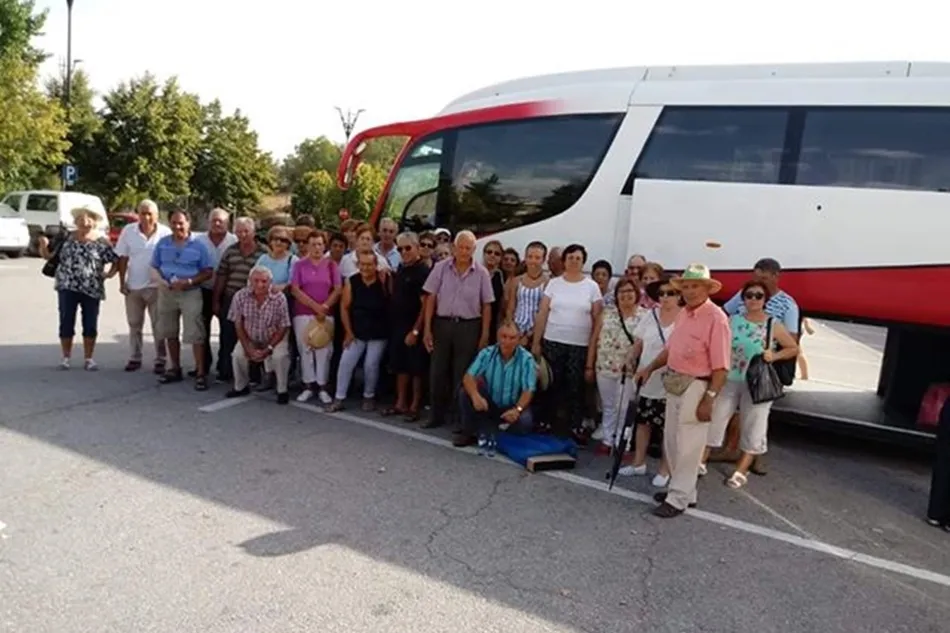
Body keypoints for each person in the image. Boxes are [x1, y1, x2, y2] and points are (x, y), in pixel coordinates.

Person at [634, 263, 731, 519]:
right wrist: (649, 368)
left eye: (695, 286)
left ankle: (677, 498)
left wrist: (709, 398)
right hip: (675, 381)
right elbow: (671, 349)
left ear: (707, 288)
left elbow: (721, 366)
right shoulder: (684, 314)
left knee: (688, 443)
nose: (690, 291)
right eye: (686, 286)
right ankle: (685, 493)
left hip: (697, 384)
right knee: (673, 440)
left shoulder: (717, 318)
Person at [705, 280, 799, 489]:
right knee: (716, 419)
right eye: (749, 295)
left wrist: (774, 356)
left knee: (754, 424)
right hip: (730, 378)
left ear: (765, 300)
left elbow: (793, 348)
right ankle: (701, 460)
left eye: (758, 296)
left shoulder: (773, 324)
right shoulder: (732, 320)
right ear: (743, 299)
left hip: (756, 381)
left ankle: (741, 469)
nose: (753, 299)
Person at [422, 230, 494, 445]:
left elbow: (487, 305)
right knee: (437, 370)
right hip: (442, 323)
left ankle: (459, 419)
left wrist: (484, 334)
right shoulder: (440, 268)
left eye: (468, 248)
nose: (463, 251)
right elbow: (430, 298)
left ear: (474, 250)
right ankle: (435, 415)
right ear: (454, 247)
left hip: (469, 326)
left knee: (462, 373)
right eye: (460, 247)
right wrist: (427, 329)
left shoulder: (482, 273)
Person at [38, 206, 119, 370]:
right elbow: (49, 256)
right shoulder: (66, 237)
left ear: (95, 222)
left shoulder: (102, 242)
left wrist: (109, 274)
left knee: (90, 323)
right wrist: (43, 246)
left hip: (92, 288)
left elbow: (116, 260)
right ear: (75, 221)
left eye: (89, 219)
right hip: (67, 286)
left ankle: (89, 358)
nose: (85, 222)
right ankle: (65, 357)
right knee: (66, 321)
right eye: (81, 219)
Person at [150, 210, 215, 390]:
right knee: (169, 331)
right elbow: (155, 266)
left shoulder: (199, 246)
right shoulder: (162, 243)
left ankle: (200, 373)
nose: (177, 226)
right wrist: (161, 281)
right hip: (167, 292)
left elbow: (208, 271)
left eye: (180, 223)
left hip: (190, 292)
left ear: (188, 223)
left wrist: (189, 281)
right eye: (173, 223)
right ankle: (175, 368)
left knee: (195, 333)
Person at [459, 320, 537, 455]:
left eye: (512, 338)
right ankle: (468, 431)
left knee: (525, 421)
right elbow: (468, 377)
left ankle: (497, 432)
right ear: (497, 337)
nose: (507, 342)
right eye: (504, 337)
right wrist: (475, 396)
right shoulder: (487, 353)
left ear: (519, 339)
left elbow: (528, 390)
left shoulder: (527, 359)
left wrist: (517, 410)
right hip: (489, 403)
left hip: (512, 405)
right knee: (465, 392)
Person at [115, 199, 171, 374]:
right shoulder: (128, 231)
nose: (146, 217)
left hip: (156, 287)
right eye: (142, 213)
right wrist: (122, 282)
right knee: (134, 324)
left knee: (159, 326)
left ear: (156, 215)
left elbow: (170, 258)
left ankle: (161, 359)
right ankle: (135, 357)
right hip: (134, 286)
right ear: (137, 214)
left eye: (149, 214)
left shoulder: (165, 233)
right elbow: (122, 257)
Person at [330, 251, 390, 412]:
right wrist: (348, 331)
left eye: (369, 264)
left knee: (371, 364)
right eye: (362, 264)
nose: (365, 268)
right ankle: (339, 397)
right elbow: (344, 307)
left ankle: (368, 396)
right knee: (346, 361)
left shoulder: (384, 280)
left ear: (376, 265)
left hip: (379, 331)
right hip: (356, 330)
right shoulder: (352, 281)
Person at [225, 266, 292, 404]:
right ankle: (241, 386)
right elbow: (238, 324)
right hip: (250, 336)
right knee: (237, 355)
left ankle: (282, 390)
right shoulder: (240, 296)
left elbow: (283, 326)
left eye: (264, 281)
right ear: (250, 280)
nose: (260, 285)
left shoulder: (279, 298)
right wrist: (248, 347)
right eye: (256, 280)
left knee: (280, 356)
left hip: (274, 337)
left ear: (270, 282)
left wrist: (269, 348)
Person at [384, 232, 430, 421]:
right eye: (400, 249)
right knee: (400, 365)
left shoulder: (423, 271)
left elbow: (426, 304)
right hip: (398, 325)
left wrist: (416, 330)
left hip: (414, 327)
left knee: (416, 368)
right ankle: (400, 403)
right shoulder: (402, 269)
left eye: (408, 248)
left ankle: (414, 406)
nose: (404, 252)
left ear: (417, 247)